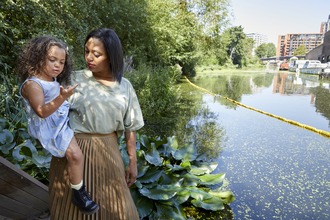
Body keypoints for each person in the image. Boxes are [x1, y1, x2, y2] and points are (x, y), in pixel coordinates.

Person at [48, 28, 144, 219]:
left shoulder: (124, 86)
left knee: (118, 208)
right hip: (73, 152)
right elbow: (47, 107)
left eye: (96, 54)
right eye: (86, 51)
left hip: (109, 154)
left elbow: (130, 126)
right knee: (70, 210)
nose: (89, 58)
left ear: (111, 57)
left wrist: (132, 161)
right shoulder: (71, 79)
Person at [16, 36, 99, 215]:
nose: (57, 66)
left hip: (59, 122)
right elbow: (42, 111)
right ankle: (79, 192)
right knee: (76, 155)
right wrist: (62, 97)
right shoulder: (33, 84)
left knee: (76, 153)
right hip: (51, 127)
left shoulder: (50, 79)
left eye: (61, 62)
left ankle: (78, 190)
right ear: (37, 59)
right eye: (52, 60)